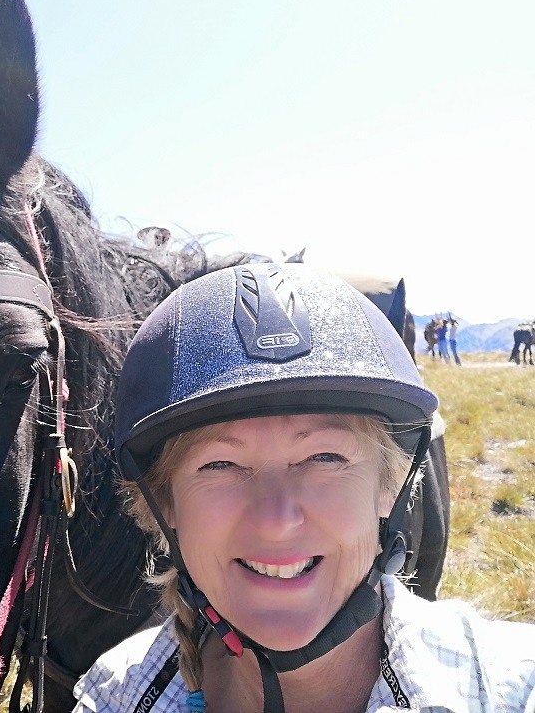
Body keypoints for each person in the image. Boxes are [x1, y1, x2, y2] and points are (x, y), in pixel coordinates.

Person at [72, 264, 535, 713]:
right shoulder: (114, 694)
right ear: (164, 505)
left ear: (389, 485)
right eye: (221, 464)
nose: (277, 522)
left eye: (325, 457)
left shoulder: (510, 686)